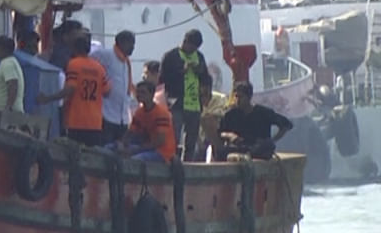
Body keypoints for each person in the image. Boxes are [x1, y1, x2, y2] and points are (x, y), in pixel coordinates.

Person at [39, 35, 110, 147]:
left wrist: (48, 98)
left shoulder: (74, 64)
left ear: (74, 48)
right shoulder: (99, 67)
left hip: (76, 120)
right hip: (95, 122)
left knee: (74, 157)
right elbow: (107, 92)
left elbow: (70, 89)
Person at [161, 28, 211, 161]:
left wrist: (199, 71)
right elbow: (163, 78)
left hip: (194, 105)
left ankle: (187, 165)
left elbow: (206, 78)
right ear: (185, 41)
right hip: (177, 103)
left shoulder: (199, 57)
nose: (193, 50)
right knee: (175, 137)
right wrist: (181, 71)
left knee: (191, 140)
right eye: (191, 47)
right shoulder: (170, 56)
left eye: (196, 48)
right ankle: (173, 163)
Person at [217, 82, 292, 160]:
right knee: (222, 151)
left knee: (267, 146)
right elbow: (220, 132)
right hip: (239, 148)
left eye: (241, 97)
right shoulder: (231, 114)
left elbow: (286, 125)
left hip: (259, 149)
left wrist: (272, 140)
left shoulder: (263, 112)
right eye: (236, 96)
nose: (237, 100)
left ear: (249, 97)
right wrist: (230, 135)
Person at [92, 30, 135, 143]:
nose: (132, 47)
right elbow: (91, 64)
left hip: (122, 117)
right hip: (107, 113)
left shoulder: (126, 62)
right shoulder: (106, 54)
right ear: (120, 42)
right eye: (130, 43)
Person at [116, 81, 175, 162]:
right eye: (138, 92)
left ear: (151, 95)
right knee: (113, 148)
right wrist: (122, 143)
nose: (139, 95)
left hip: (162, 152)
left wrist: (138, 149)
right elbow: (131, 132)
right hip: (147, 147)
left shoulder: (161, 113)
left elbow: (160, 141)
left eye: (143, 92)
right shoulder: (139, 112)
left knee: (133, 160)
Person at [0, 35, 24, 116]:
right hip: (5, 112)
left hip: (7, 114)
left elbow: (13, 85)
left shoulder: (8, 63)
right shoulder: (11, 62)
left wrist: (8, 108)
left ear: (3, 49)